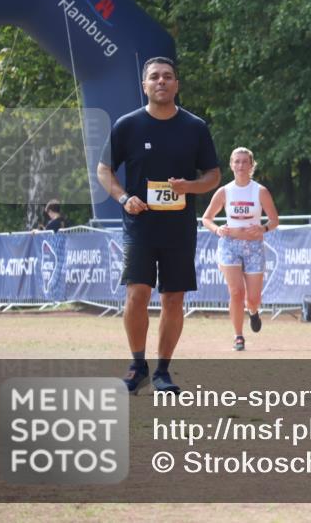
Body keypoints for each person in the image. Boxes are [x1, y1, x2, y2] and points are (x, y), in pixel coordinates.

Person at [96, 57, 220, 395]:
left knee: (173, 298)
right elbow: (104, 170)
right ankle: (138, 366)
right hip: (140, 224)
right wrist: (123, 199)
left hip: (179, 227)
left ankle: (163, 371)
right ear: (145, 85)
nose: (161, 82)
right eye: (154, 77)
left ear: (177, 85)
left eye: (168, 77)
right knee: (137, 292)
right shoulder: (127, 125)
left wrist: (190, 187)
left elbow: (213, 175)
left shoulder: (195, 127)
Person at [201, 147, 279, 351]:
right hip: (229, 245)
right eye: (237, 161)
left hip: (254, 246)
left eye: (245, 162)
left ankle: (253, 311)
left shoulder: (260, 191)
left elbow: (274, 220)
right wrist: (218, 229)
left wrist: (263, 228)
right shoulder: (224, 191)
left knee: (252, 298)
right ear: (231, 164)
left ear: (251, 165)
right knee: (236, 291)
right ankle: (238, 336)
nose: (241, 165)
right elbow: (206, 218)